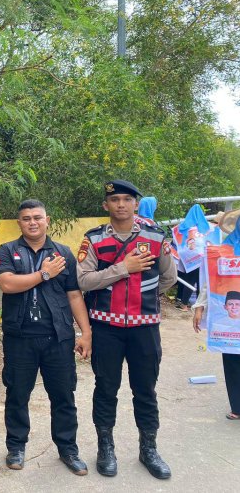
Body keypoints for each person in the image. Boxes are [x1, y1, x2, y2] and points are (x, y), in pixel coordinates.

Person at [77, 180, 177, 480]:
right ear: (106, 205)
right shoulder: (93, 240)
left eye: (127, 199)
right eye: (115, 200)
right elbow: (83, 281)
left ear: (136, 204)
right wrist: (125, 268)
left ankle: (149, 449)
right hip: (105, 328)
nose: (121, 204)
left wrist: (142, 299)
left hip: (144, 329)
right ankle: (105, 448)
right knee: (106, 389)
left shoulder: (156, 237)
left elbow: (168, 278)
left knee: (145, 390)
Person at [0, 199, 92, 476]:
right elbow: (7, 284)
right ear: (19, 223)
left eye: (37, 217)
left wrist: (86, 332)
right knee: (17, 394)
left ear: (47, 220)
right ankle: (16, 446)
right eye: (26, 218)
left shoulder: (63, 253)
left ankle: (68, 449)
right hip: (20, 337)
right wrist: (44, 273)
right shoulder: (7, 250)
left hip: (57, 337)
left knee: (63, 396)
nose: (32, 222)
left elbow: (74, 295)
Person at [193, 289, 240, 420]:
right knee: (233, 364)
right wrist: (199, 307)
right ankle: (237, 406)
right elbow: (209, 281)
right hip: (231, 334)